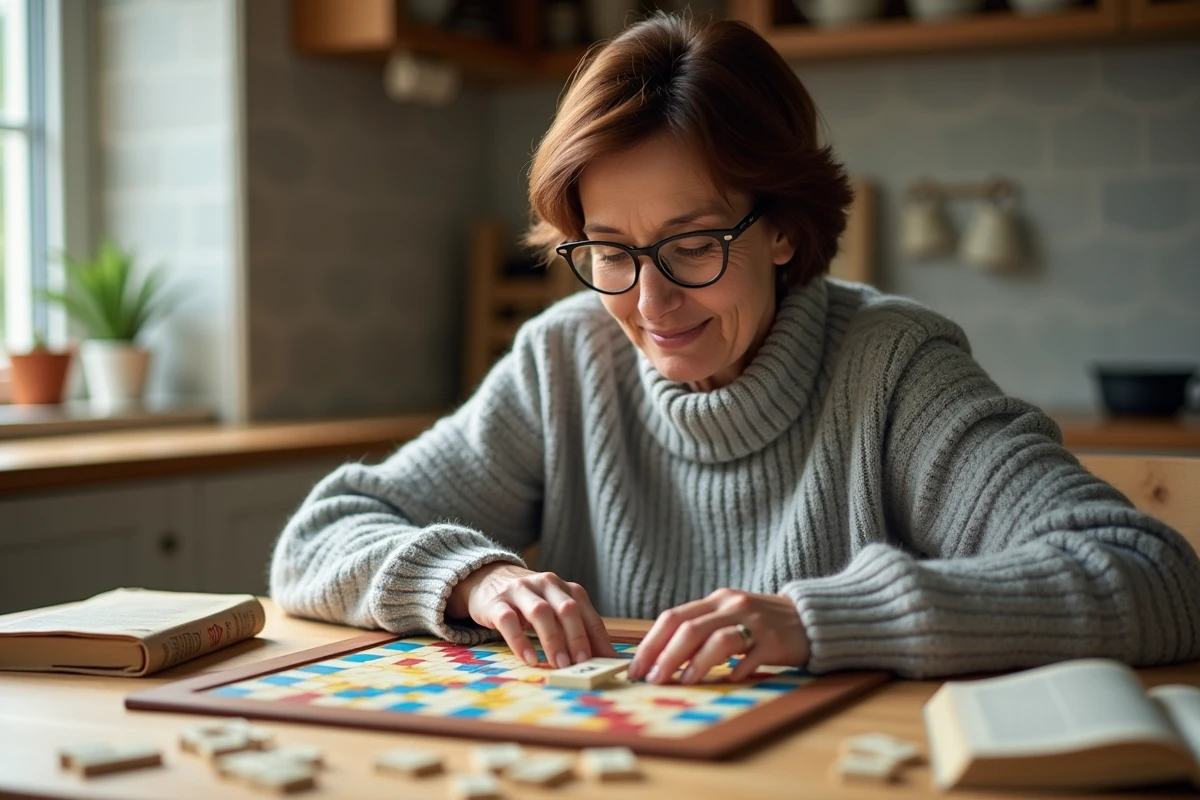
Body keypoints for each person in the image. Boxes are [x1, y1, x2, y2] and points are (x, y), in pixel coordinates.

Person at [270, 14, 1200, 682]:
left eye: (694, 243)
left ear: (784, 230)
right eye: (611, 253)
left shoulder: (893, 367)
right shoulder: (566, 358)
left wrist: (816, 617)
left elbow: (1154, 578)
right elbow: (316, 538)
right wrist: (474, 577)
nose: (650, 298)